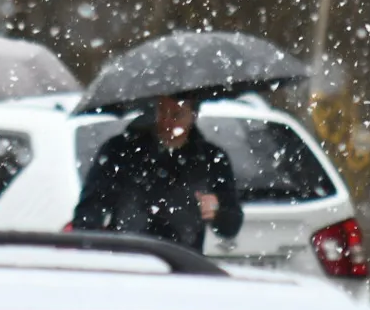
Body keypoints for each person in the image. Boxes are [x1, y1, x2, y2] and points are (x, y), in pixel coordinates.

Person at [72, 96, 243, 252]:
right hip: (127, 257)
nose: (167, 121)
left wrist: (218, 212)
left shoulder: (210, 158)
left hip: (184, 262)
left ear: (193, 116)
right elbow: (91, 207)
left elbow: (231, 225)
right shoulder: (121, 151)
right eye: (162, 112)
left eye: (177, 115)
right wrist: (90, 247)